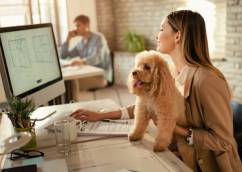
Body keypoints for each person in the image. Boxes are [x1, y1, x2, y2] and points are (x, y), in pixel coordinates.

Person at [71, 10, 242, 172]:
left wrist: (174, 128)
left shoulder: (207, 81)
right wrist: (102, 115)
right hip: (177, 153)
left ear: (178, 36)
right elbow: (148, 105)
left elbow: (224, 142)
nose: (157, 35)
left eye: (161, 29)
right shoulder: (172, 71)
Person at [61, 15, 113, 90]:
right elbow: (64, 56)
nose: (76, 29)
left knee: (71, 84)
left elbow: (98, 57)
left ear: (87, 25)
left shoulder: (99, 38)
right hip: (87, 74)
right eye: (75, 26)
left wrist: (81, 61)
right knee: (67, 82)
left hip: (101, 76)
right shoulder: (81, 43)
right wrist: (67, 40)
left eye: (78, 25)